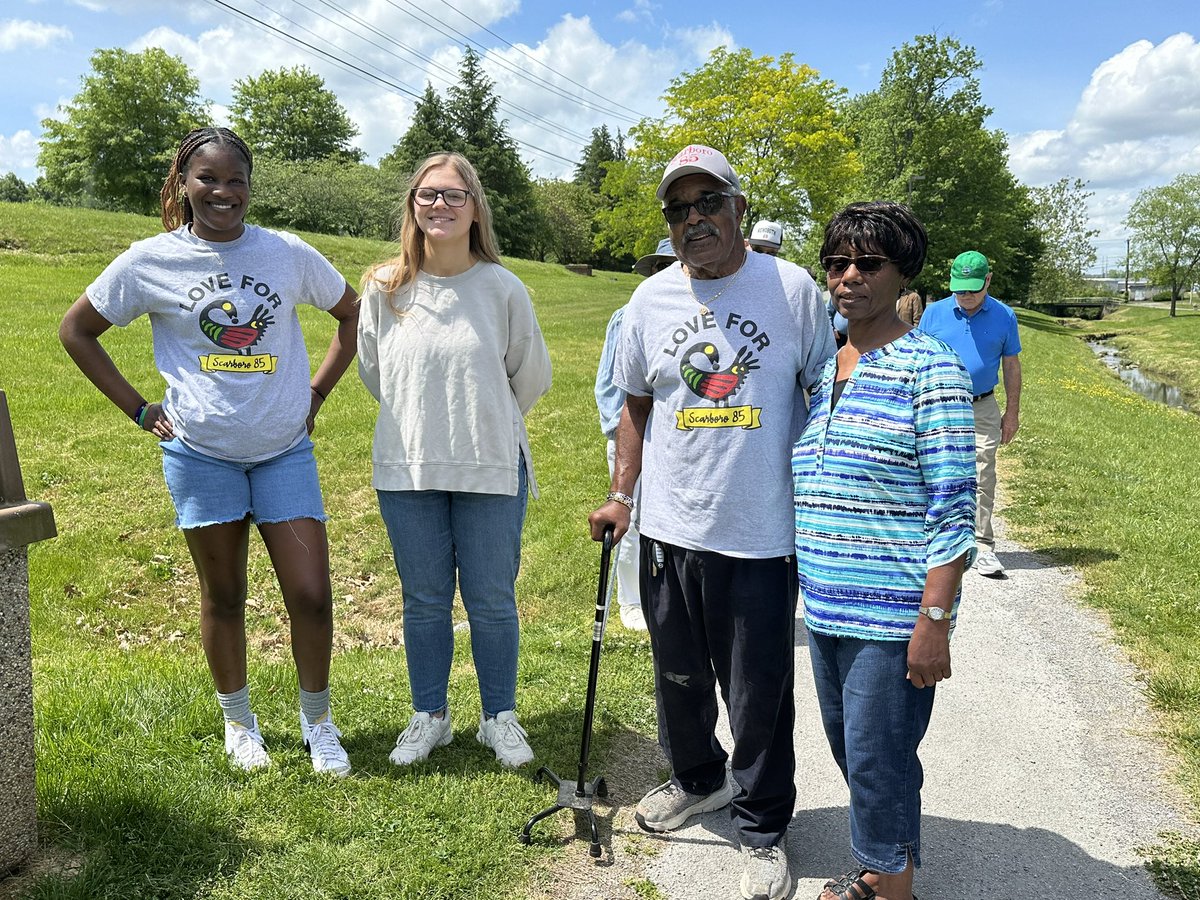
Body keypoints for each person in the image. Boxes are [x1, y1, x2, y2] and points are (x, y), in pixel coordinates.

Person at [58, 126, 359, 776]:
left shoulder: (286, 253)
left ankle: (319, 723)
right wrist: (140, 410)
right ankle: (240, 723)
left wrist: (315, 394)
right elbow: (76, 330)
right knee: (223, 594)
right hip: (200, 455)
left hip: (283, 450)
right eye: (208, 179)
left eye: (235, 180)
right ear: (184, 184)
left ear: (250, 187)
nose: (223, 192)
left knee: (310, 594)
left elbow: (352, 315)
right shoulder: (150, 261)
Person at [588, 144, 835, 900]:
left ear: (738, 208)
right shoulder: (649, 304)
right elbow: (634, 403)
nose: (693, 219)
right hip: (669, 529)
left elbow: (825, 387)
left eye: (707, 203)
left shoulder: (790, 291)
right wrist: (623, 496)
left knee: (757, 690)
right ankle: (699, 778)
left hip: (761, 531)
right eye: (678, 208)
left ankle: (763, 827)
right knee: (678, 679)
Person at [793, 202, 976, 900]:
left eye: (868, 264)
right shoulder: (822, 369)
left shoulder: (930, 368)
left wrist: (935, 620)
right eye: (837, 263)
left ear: (902, 274)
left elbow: (955, 507)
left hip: (894, 616)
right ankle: (885, 865)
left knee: (875, 760)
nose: (848, 276)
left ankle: (886, 887)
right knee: (863, 754)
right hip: (827, 609)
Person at [358, 152, 552, 769]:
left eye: (453, 195)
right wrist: (427, 422)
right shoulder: (385, 288)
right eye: (427, 195)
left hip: (490, 466)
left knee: (492, 599)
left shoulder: (502, 288)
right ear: (412, 205)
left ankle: (499, 717)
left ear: (475, 209)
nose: (439, 206)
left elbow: (530, 377)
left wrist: (478, 419)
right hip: (408, 467)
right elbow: (377, 373)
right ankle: (430, 716)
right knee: (424, 599)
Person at [917, 250, 1022, 578]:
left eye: (972, 290)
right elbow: (917, 358)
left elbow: (1011, 365)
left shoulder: (1004, 316)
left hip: (982, 405)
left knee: (981, 470)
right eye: (959, 289)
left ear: (988, 280)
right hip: (937, 404)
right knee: (928, 468)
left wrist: (1012, 413)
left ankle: (981, 544)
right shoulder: (933, 314)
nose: (965, 296)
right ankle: (930, 537)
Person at [597, 240, 679, 631]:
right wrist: (618, 432)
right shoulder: (628, 315)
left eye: (672, 264)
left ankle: (661, 596)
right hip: (632, 433)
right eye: (659, 265)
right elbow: (611, 386)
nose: (664, 271)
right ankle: (631, 600)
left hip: (674, 438)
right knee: (631, 517)